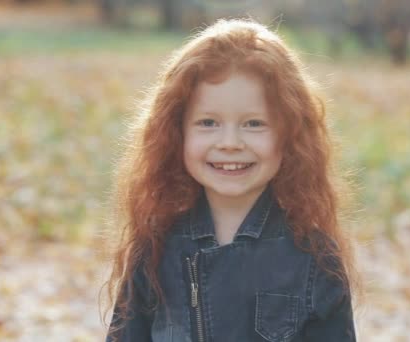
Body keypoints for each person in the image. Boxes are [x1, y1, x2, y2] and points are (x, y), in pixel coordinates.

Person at [101, 18, 360, 342]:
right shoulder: (157, 246)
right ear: (177, 133)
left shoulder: (313, 256)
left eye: (253, 124)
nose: (230, 142)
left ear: (290, 135)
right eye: (208, 122)